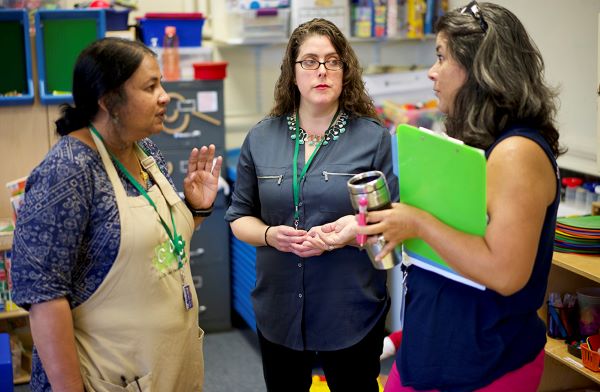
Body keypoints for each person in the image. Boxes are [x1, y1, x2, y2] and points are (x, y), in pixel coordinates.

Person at [355, 2, 563, 391]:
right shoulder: (475, 144)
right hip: (430, 353)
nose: (432, 72)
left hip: (486, 366)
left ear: (480, 68)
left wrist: (416, 222)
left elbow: (505, 274)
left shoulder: (517, 152)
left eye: (441, 57)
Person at [11, 37, 221, 391]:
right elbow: (44, 299)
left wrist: (195, 209)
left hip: (166, 366)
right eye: (151, 86)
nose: (165, 96)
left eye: (162, 84)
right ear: (109, 101)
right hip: (107, 378)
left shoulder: (144, 151)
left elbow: (153, 248)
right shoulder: (68, 171)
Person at [225, 18, 398, 392]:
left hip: (350, 309)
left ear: (344, 70)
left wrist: (352, 230)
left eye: (332, 61)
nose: (321, 70)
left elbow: (388, 222)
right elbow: (239, 218)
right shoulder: (260, 137)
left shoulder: (372, 138)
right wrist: (271, 236)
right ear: (292, 72)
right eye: (309, 61)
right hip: (279, 308)